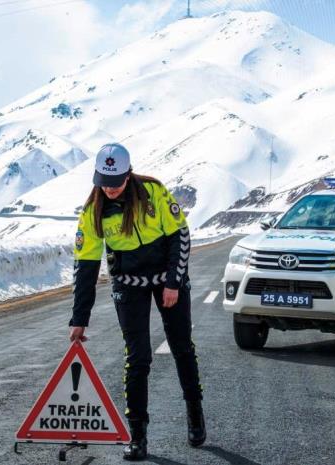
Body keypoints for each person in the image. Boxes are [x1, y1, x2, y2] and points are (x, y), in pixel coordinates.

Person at [68, 143, 205, 460]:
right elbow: (85, 268)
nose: (110, 189)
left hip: (167, 279)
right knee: (138, 357)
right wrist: (79, 319)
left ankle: (195, 413)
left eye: (116, 182)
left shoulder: (153, 191)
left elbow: (180, 236)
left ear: (128, 176)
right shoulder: (93, 213)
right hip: (128, 285)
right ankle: (138, 435)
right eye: (104, 181)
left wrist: (173, 282)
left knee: (182, 346)